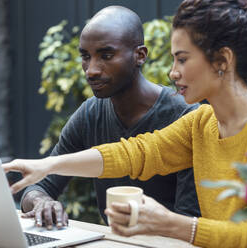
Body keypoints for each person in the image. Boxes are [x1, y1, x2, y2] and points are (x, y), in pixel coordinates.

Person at [3, 0, 247, 247]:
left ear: (222, 60)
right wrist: (49, 166)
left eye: (182, 60)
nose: (173, 73)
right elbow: (137, 153)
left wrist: (173, 224)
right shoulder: (202, 122)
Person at [19, 5, 200, 230]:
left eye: (106, 55)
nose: (91, 70)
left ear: (140, 55)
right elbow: (40, 184)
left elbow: (191, 220)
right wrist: (41, 202)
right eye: (85, 56)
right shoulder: (89, 114)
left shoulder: (185, 117)